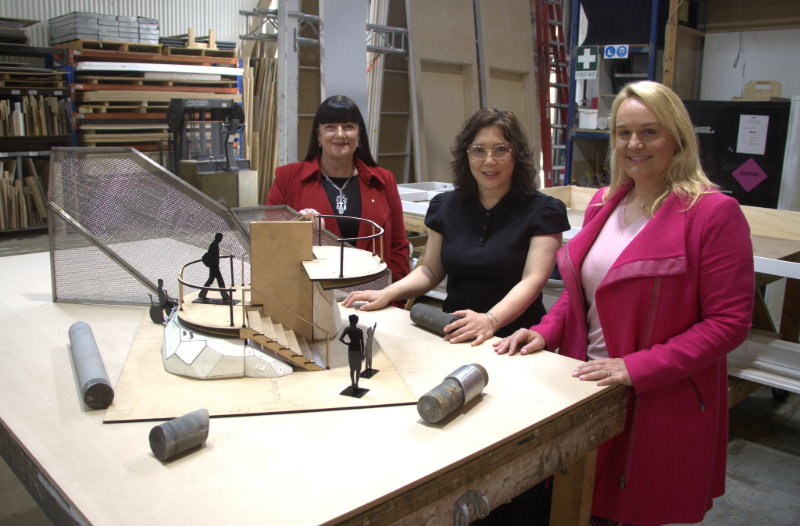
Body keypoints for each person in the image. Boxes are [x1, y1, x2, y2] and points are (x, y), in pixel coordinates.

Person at [494, 81, 755, 526]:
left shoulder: (712, 213)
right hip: (585, 384)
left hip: (657, 395)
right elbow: (580, 296)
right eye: (623, 132)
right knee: (580, 502)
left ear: (677, 137)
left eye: (649, 132)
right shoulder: (603, 203)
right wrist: (545, 331)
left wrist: (636, 367)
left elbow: (728, 322)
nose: (634, 144)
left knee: (628, 509)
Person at [342, 107, 570, 345]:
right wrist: (386, 292)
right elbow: (430, 270)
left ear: (517, 154)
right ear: (466, 155)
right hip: (455, 335)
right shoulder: (447, 206)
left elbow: (532, 281)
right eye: (478, 150)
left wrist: (491, 320)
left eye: (500, 149)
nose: (489, 160)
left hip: (514, 341)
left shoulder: (544, 212)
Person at [266, 95, 410, 298]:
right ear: (318, 133)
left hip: (373, 297)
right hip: (311, 299)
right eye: (331, 127)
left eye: (349, 126)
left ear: (359, 133)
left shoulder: (384, 180)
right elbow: (269, 242)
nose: (340, 134)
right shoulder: (287, 178)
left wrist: (394, 296)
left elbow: (398, 245)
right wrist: (295, 225)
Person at [199, 233, 230, 302]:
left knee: (212, 280)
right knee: (219, 281)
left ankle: (202, 294)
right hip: (214, 267)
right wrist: (215, 265)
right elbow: (212, 256)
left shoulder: (214, 245)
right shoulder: (214, 245)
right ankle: (224, 296)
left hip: (214, 266)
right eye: (221, 237)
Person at [339, 314, 365, 393]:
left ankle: (353, 383)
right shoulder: (359, 330)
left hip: (351, 349)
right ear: (356, 321)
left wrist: (348, 343)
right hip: (358, 349)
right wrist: (363, 353)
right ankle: (356, 383)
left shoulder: (348, 329)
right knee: (358, 369)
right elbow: (362, 343)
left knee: (352, 368)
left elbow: (341, 339)